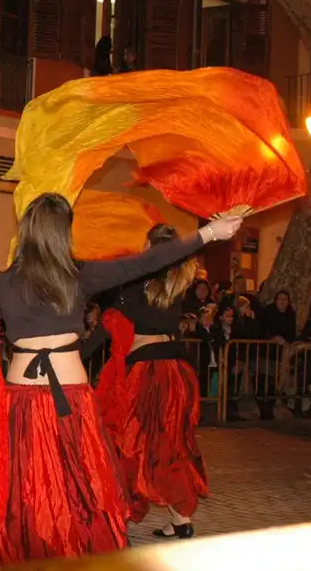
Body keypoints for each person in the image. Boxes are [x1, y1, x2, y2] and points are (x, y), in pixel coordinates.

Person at [0, 193, 241, 564]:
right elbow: (146, 262)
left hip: (24, 400)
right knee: (79, 489)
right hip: (71, 401)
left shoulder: (2, 286)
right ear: (63, 233)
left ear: (26, 231)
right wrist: (209, 233)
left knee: (29, 490)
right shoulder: (81, 275)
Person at [103, 224, 209, 539]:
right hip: (176, 371)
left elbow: (113, 314)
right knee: (168, 445)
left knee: (129, 442)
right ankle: (180, 520)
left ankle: (118, 516)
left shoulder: (136, 281)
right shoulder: (177, 281)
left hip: (146, 372)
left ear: (148, 243)